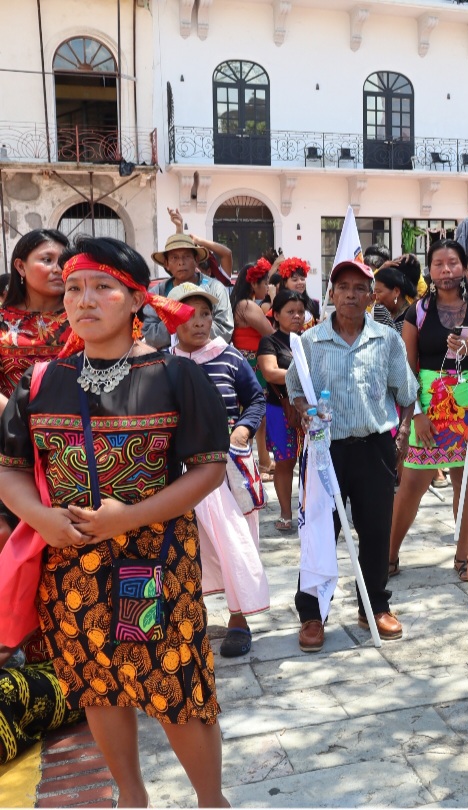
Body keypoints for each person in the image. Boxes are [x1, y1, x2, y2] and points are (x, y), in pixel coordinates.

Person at [0, 236, 229, 808]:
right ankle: (130, 797)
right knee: (97, 684)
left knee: (174, 685)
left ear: (137, 300)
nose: (84, 299)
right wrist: (41, 519)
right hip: (71, 567)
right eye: (74, 287)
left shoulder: (174, 376)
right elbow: (9, 470)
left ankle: (211, 801)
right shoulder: (40, 382)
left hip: (154, 564)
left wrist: (129, 517)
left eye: (103, 287)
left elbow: (208, 470)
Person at [285, 259, 417, 648]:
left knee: (376, 531)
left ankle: (374, 606)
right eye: (343, 287)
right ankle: (312, 613)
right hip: (325, 450)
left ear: (372, 296)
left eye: (360, 288)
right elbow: (295, 389)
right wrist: (305, 410)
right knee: (320, 532)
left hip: (375, 447)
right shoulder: (310, 342)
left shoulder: (386, 339)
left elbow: (407, 392)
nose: (351, 295)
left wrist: (403, 433)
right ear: (331, 293)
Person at [388, 239, 468, 582]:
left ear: (465, 267)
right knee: (412, 483)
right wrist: (417, 414)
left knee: (466, 483)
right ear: (430, 270)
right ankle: (387, 556)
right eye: (438, 264)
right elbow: (406, 368)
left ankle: (464, 557)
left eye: (453, 263)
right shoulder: (417, 313)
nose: (446, 270)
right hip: (429, 410)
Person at [170, 282, 269, 659]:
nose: (199, 322)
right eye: (189, 315)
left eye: (206, 314)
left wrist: (244, 429)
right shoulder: (163, 364)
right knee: (189, 543)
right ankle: (191, 617)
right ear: (171, 321)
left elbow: (255, 398)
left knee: (235, 541)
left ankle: (239, 619)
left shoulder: (229, 357)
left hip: (230, 468)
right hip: (183, 469)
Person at [0, 230, 71, 545]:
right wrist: (19, 420)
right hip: (8, 442)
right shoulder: (1, 321)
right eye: (47, 260)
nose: (58, 269)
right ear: (20, 266)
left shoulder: (82, 317)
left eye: (63, 261)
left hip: (71, 442)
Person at [257, 290, 307, 532]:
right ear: (276, 315)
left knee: (311, 462)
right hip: (281, 410)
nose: (297, 316)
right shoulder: (270, 341)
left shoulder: (309, 339)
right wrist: (303, 376)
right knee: (285, 462)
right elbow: (270, 372)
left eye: (301, 311)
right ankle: (286, 514)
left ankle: (310, 511)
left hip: (310, 410)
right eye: (290, 311)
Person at [143, 233, 233, 348]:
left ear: (196, 260)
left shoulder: (215, 288)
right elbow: (150, 336)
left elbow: (225, 330)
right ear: (166, 264)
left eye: (187, 256)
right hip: (168, 357)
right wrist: (178, 320)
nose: (181, 262)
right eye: (174, 258)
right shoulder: (157, 294)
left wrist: (186, 329)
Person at [230, 259, 275, 480]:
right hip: (251, 364)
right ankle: (255, 464)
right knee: (254, 415)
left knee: (257, 416)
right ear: (253, 284)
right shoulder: (247, 305)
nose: (267, 287)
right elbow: (270, 333)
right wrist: (274, 301)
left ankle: (263, 461)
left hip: (249, 362)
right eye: (264, 282)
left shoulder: (242, 304)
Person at [167, 207, 234, 288]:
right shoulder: (184, 288)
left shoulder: (218, 284)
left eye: (197, 273)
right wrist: (179, 227)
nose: (192, 276)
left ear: (209, 272)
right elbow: (180, 252)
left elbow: (227, 254)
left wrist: (199, 241)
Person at [373, 264, 417, 334]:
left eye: (378, 292)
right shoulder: (386, 314)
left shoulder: (411, 318)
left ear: (396, 291)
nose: (376, 297)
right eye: (374, 292)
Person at [278, 257, 320, 326]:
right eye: (295, 280)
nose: (300, 282)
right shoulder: (278, 306)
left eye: (302, 279)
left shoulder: (315, 305)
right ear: (285, 283)